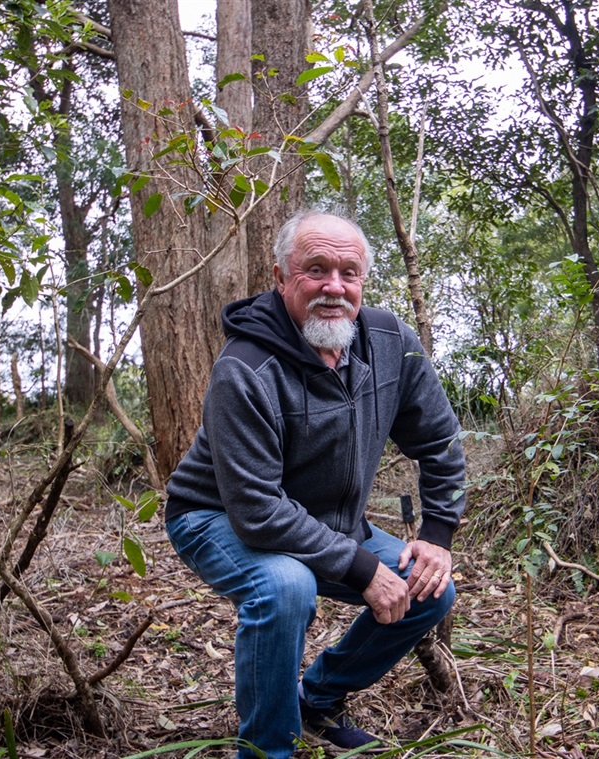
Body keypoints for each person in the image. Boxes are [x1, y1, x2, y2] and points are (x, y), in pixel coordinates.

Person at [164, 209, 466, 759]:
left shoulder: (390, 342)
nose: (334, 286)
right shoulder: (246, 367)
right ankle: (266, 750)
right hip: (216, 516)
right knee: (285, 587)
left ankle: (317, 701)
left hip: (329, 522)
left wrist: (438, 535)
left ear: (363, 282)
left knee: (430, 588)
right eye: (316, 269)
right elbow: (255, 508)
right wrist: (362, 567)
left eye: (348, 272)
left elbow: (440, 440)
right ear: (281, 277)